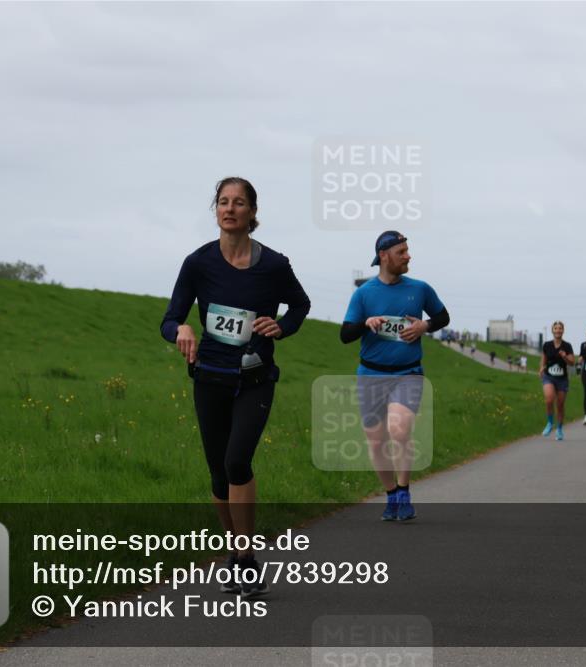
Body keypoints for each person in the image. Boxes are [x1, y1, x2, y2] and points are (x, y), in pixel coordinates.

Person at [160, 177, 310, 597]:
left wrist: (282, 326)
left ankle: (246, 559)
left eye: (238, 202)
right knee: (217, 474)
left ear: (252, 212)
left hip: (255, 378)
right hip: (209, 377)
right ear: (216, 210)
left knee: (237, 462)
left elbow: (301, 304)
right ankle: (235, 552)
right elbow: (169, 319)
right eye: (223, 202)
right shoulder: (198, 263)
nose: (229, 209)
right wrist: (181, 330)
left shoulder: (274, 265)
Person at [341, 231, 450, 521]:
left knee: (400, 430)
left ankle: (404, 491)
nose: (408, 256)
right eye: (402, 252)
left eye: (407, 250)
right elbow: (345, 335)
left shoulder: (420, 288)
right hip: (371, 375)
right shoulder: (364, 294)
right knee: (376, 441)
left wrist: (425, 326)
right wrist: (366, 323)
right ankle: (390, 495)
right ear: (384, 256)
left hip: (408, 373)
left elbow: (443, 317)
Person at [539, 321, 576, 441]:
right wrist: (541, 368)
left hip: (562, 379)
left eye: (560, 328)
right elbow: (544, 358)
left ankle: (559, 429)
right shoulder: (547, 345)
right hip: (549, 376)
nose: (558, 330)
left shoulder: (567, 345)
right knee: (549, 399)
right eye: (556, 328)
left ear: (563, 331)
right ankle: (550, 423)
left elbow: (572, 362)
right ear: (552, 330)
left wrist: (565, 356)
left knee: (560, 405)